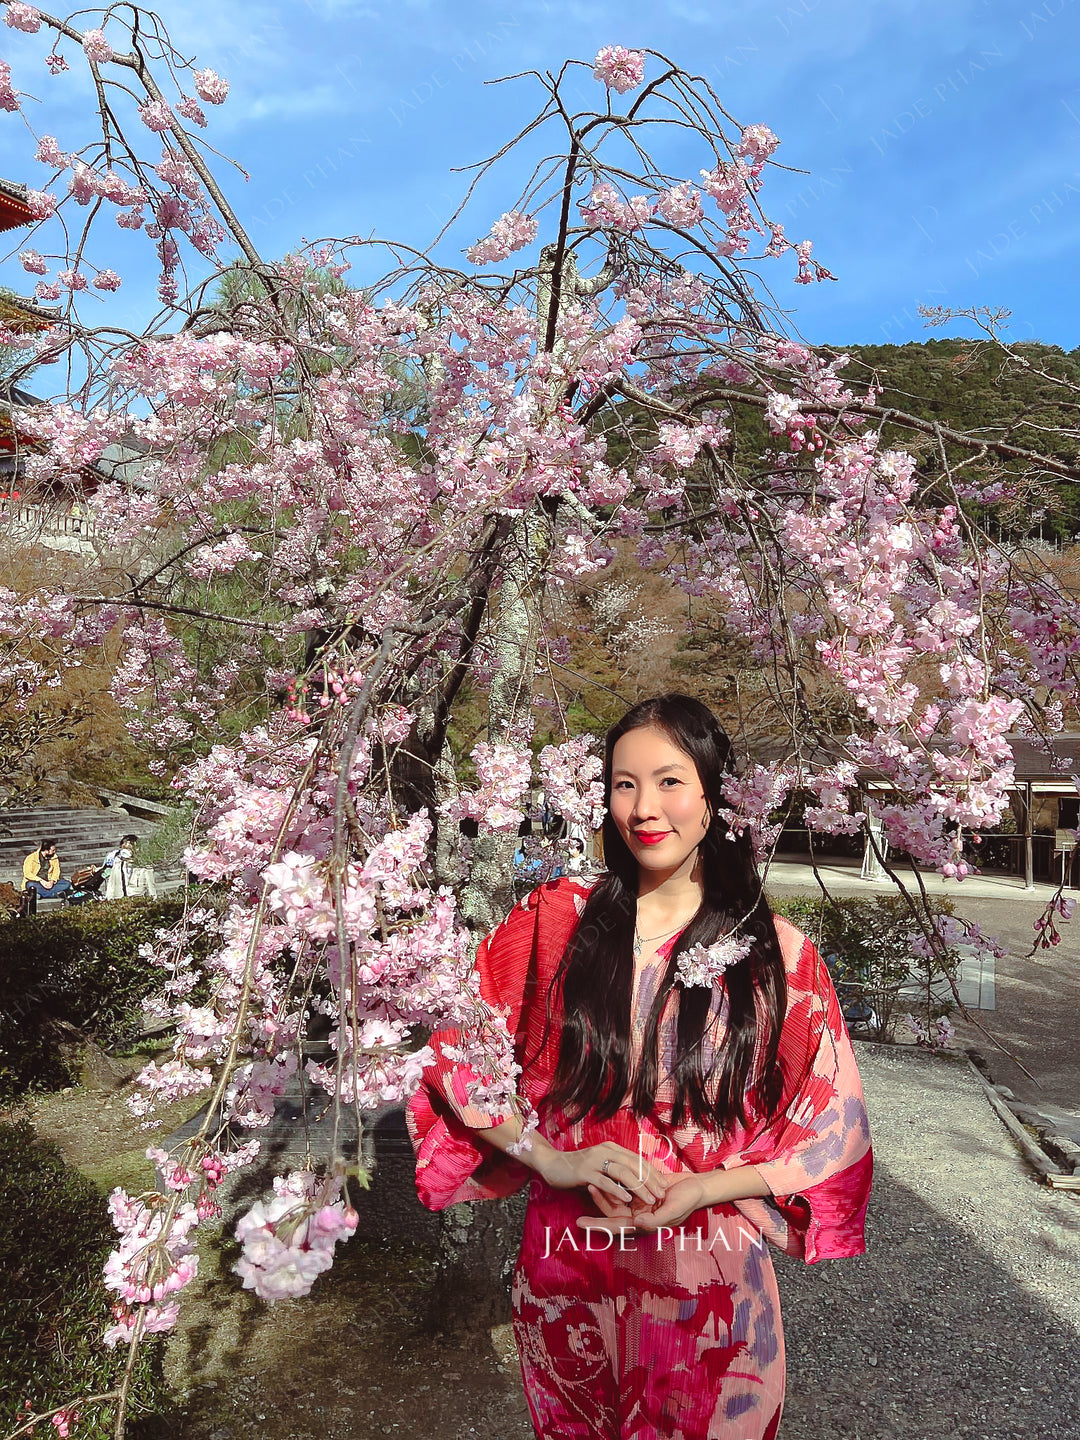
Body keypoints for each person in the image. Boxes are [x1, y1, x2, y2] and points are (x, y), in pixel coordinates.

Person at [409, 695, 873, 1440]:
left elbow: (832, 1128)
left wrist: (701, 1189)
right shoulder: (551, 923)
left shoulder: (775, 955)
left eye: (669, 781)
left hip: (710, 1282)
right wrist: (553, 1161)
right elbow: (459, 1062)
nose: (644, 808)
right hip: (569, 1269)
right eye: (624, 785)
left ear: (714, 798)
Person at [102, 834, 158, 900]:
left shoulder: (145, 866)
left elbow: (151, 886)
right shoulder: (118, 863)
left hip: (137, 900)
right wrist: (109, 899)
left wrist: (154, 900)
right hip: (120, 900)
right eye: (124, 849)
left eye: (129, 849)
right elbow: (111, 884)